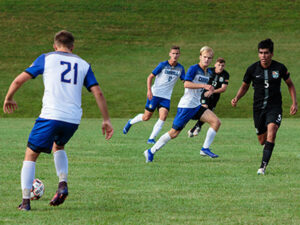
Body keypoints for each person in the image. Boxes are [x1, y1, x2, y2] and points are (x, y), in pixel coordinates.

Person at [3, 30, 114, 211]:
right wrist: (106, 120)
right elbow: (98, 92)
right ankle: (62, 183)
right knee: (58, 146)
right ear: (72, 47)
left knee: (31, 154)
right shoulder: (84, 64)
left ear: (55, 46)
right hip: (72, 119)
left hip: (51, 116)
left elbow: (18, 81)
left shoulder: (47, 58)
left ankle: (25, 203)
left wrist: (9, 97)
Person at [231, 38, 297, 175]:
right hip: (258, 108)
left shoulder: (279, 68)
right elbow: (244, 87)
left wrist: (294, 102)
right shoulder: (252, 69)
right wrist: (237, 97)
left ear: (272, 54)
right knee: (262, 140)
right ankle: (268, 145)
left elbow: (290, 84)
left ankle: (262, 167)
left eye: (266, 53)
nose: (263, 56)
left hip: (274, 107)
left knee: (271, 132)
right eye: (260, 53)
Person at [144, 46, 221, 162]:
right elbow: (186, 84)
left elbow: (205, 88)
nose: (206, 60)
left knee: (216, 122)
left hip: (196, 106)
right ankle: (150, 151)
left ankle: (205, 148)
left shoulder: (209, 72)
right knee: (173, 133)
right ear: (200, 57)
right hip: (186, 106)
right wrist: (203, 86)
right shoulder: (193, 69)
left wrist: (209, 91)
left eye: (209, 58)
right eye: (204, 57)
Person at [123, 46, 185, 144]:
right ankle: (131, 122)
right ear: (169, 54)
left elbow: (185, 82)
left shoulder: (180, 68)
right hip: (155, 94)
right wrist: (149, 91)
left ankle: (151, 138)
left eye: (177, 53)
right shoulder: (163, 65)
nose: (175, 55)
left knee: (163, 116)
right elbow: (150, 77)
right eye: (173, 53)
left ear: (179, 55)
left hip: (166, 97)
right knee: (146, 117)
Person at [188, 57, 229, 137]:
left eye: (222, 65)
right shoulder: (209, 71)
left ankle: (196, 127)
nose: (220, 67)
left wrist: (212, 91)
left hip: (215, 97)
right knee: (204, 108)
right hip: (205, 93)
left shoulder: (225, 74)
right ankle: (196, 125)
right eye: (219, 65)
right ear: (215, 65)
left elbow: (223, 88)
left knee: (208, 113)